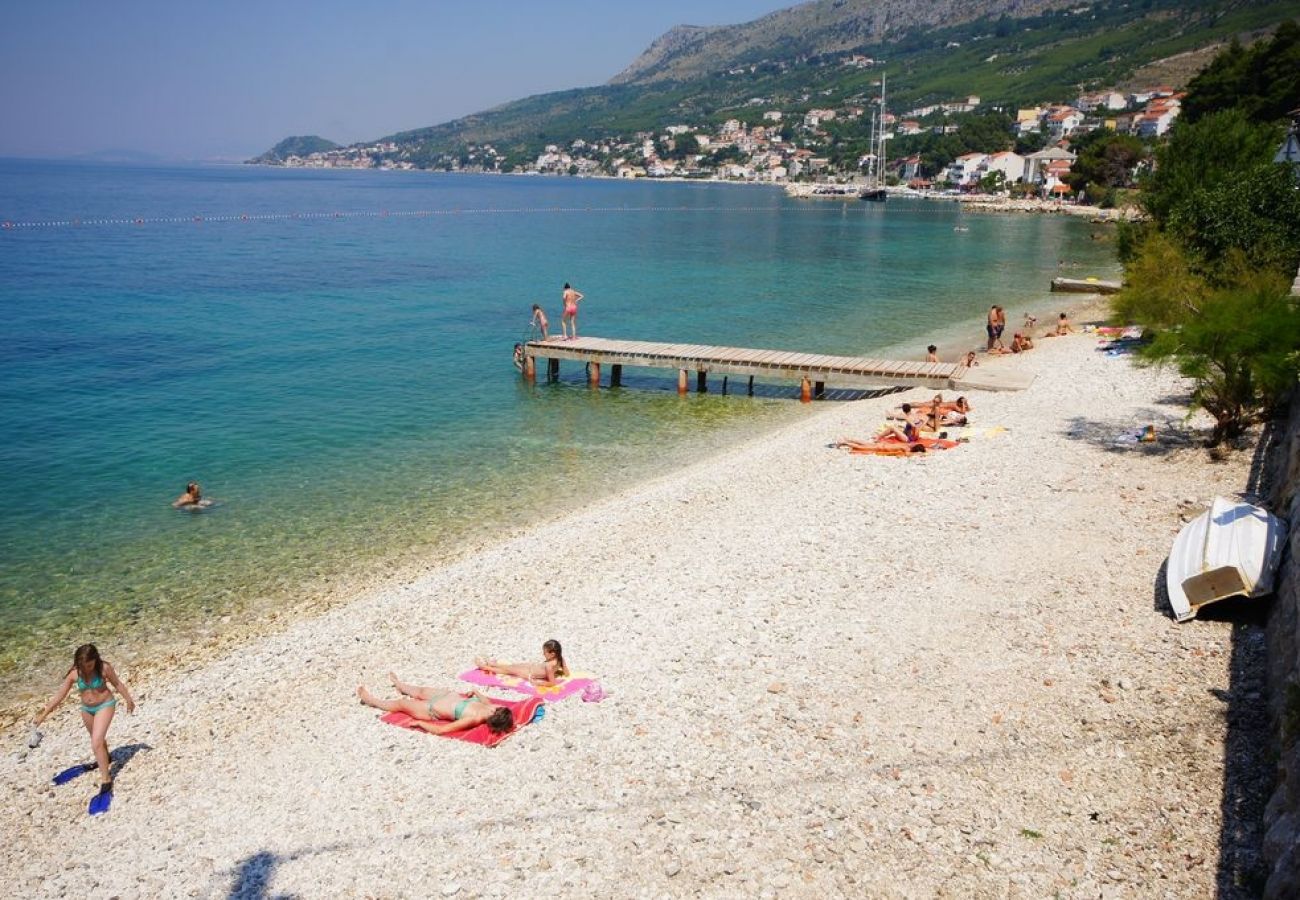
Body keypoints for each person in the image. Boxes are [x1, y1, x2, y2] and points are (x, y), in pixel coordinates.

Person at [33, 644, 136, 800]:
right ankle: (106, 758)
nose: (86, 668)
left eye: (89, 664)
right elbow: (60, 695)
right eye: (83, 665)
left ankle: (106, 780)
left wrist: (129, 700)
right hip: (86, 709)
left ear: (95, 659)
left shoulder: (104, 668)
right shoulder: (75, 673)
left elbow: (117, 684)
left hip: (105, 705)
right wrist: (44, 714)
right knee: (97, 739)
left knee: (96, 742)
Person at [357, 675, 514, 736]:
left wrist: (420, 723)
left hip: (431, 710)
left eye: (495, 709)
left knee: (401, 704)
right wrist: (475, 692)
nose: (494, 706)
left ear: (493, 716)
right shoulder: (488, 708)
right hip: (443, 696)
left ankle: (371, 700)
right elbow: (486, 701)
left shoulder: (473, 719)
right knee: (421, 690)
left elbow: (442, 730)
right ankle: (400, 684)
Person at [476, 639, 568, 686]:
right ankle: (492, 664)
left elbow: (552, 683)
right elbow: (567, 673)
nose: (543, 654)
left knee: (509, 670)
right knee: (512, 666)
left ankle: (486, 667)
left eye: (545, 652)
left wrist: (538, 682)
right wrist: (561, 673)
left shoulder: (549, 666)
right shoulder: (560, 659)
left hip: (530, 673)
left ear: (552, 654)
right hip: (532, 667)